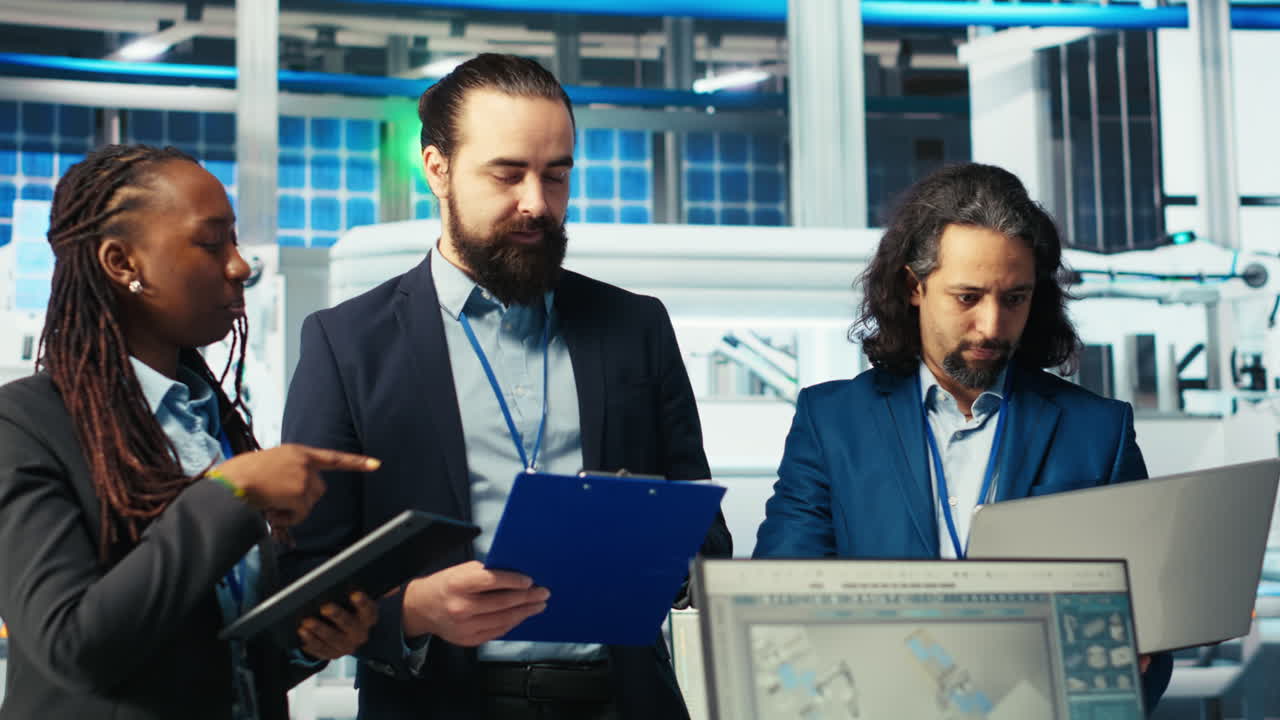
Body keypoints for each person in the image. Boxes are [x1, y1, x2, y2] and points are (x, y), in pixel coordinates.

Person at [280, 53, 731, 720]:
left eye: (556, 176)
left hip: (621, 702)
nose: (536, 204)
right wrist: (411, 612)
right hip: (437, 704)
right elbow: (304, 586)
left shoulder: (635, 326)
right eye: (508, 174)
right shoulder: (347, 344)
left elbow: (706, 544)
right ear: (437, 169)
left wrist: (662, 559)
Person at [752, 163, 1172, 711]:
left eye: (1015, 298)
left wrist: (1131, 659)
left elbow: (1150, 638)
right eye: (968, 297)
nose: (993, 326)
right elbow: (778, 605)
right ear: (914, 287)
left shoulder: (1098, 431)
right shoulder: (831, 422)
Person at [0, 144, 381, 720]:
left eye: (234, 242)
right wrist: (228, 494)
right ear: (122, 263)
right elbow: (72, 645)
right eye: (211, 243)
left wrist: (306, 645)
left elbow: (214, 658)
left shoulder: (211, 420)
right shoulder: (26, 425)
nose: (240, 265)